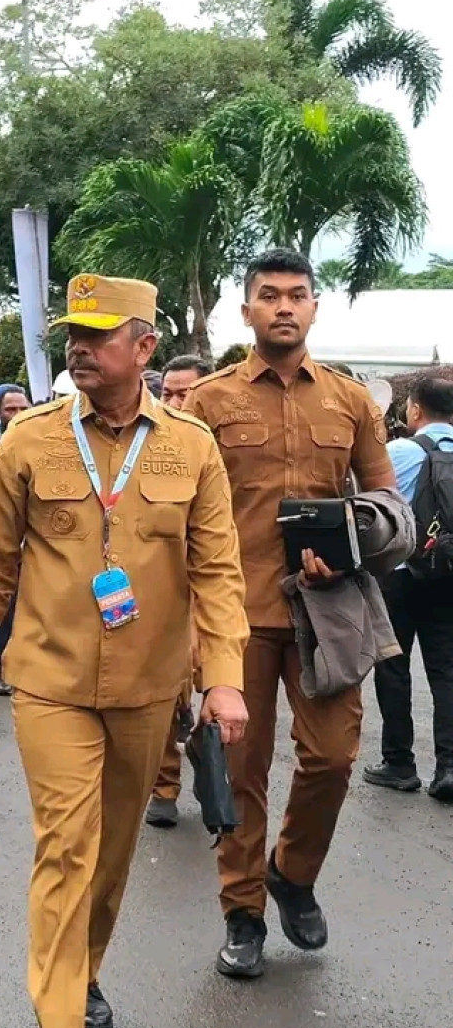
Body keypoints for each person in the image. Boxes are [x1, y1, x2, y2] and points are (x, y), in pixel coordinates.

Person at [0, 274, 248, 1028]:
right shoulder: (27, 440)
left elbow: (218, 571)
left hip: (149, 685)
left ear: (144, 346)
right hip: (49, 680)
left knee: (112, 852)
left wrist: (224, 677)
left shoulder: (192, 446)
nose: (78, 348)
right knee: (65, 845)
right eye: (72, 335)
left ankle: (81, 974)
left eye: (96, 334)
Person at [185, 248, 395, 980]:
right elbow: (179, 515)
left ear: (314, 307)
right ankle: (242, 913)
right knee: (240, 769)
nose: (283, 306)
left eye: (297, 294)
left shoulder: (351, 401)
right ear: (246, 310)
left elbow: (388, 506)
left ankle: (292, 873)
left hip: (325, 614)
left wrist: (351, 543)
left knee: (333, 758)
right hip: (234, 615)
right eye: (269, 295)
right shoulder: (206, 403)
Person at [364, 374, 453, 802]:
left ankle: (399, 763)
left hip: (399, 573)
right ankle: (449, 767)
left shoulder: (400, 451)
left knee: (393, 666)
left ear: (415, 409)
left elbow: (368, 502)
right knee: (446, 669)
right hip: (448, 573)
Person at [144, 353, 214, 828]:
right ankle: (164, 785)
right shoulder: (148, 444)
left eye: (183, 393)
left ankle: (215, 777)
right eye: (166, 393)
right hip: (163, 589)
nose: (173, 402)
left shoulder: (216, 448)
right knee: (166, 689)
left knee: (219, 688)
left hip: (219, 587)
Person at [0, 385, 31, 697]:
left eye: (22, 408)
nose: (16, 414)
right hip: (2, 541)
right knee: (2, 607)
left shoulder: (43, 441)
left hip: (38, 544)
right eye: (10, 409)